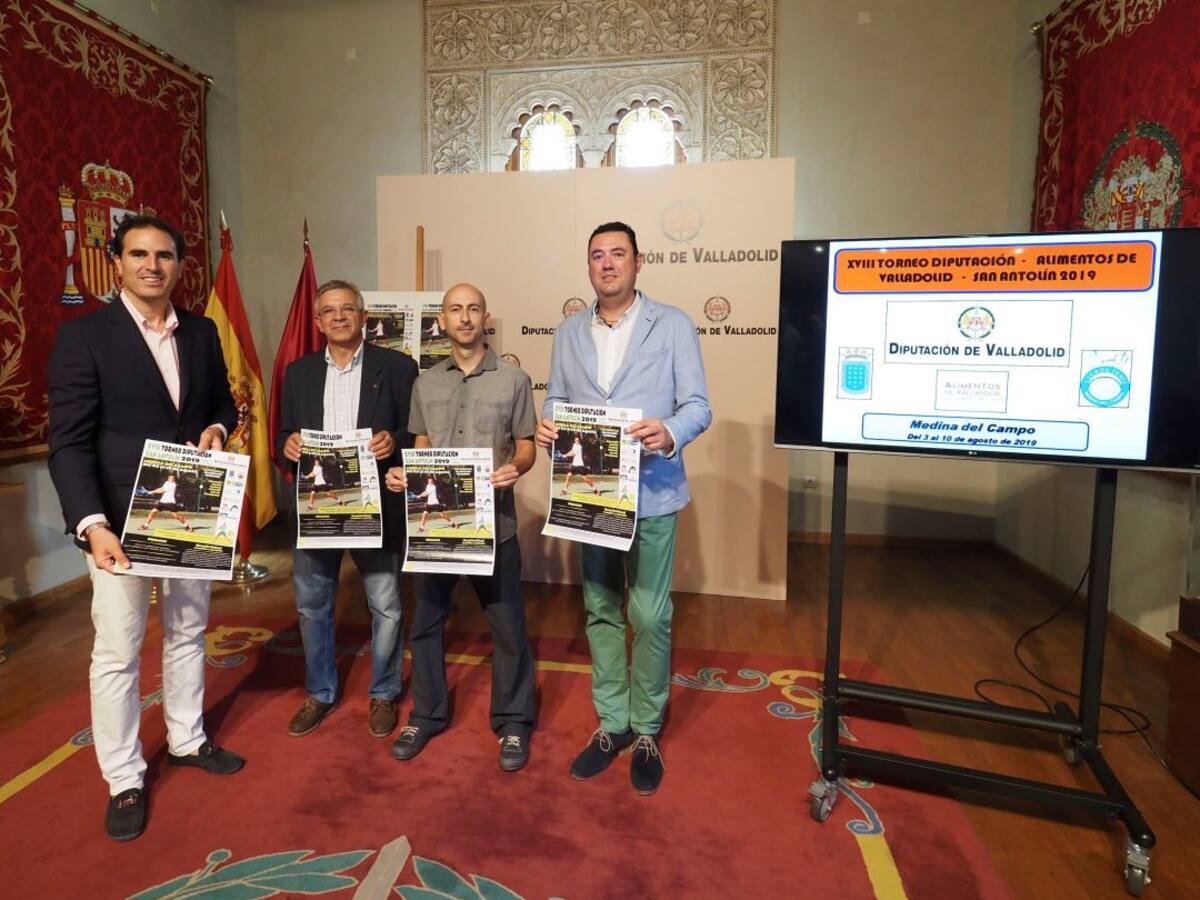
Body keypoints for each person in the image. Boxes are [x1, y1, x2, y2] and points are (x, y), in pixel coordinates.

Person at [47, 215, 244, 842]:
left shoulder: (203, 331)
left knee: (188, 632)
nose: (152, 265)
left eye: (163, 255)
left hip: (191, 512)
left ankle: (187, 738)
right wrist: (91, 525)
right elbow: (68, 443)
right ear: (118, 262)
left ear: (179, 265)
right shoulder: (85, 338)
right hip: (118, 524)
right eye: (138, 254)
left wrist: (216, 428)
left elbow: (222, 403)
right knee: (118, 652)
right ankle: (125, 777)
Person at [536, 221, 711, 795]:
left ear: (639, 262)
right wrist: (550, 423)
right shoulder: (568, 330)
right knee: (601, 607)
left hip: (653, 492)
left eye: (618, 254)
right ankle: (613, 723)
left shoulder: (674, 324)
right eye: (597, 255)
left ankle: (648, 728)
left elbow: (698, 405)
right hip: (589, 494)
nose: (607, 263)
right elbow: (556, 397)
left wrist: (671, 431)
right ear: (588, 266)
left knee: (651, 615)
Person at [386, 282, 538, 772]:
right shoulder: (425, 383)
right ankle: (427, 714)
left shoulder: (514, 379)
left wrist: (516, 466)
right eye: (456, 309)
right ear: (443, 321)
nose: (466, 317)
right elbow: (422, 447)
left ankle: (513, 721)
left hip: (496, 526)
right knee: (426, 624)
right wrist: (407, 475)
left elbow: (527, 445)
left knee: (508, 627)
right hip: (436, 526)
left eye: (474, 309)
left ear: (485, 318)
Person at [275, 279, 418, 740]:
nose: (338, 317)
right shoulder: (298, 373)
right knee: (312, 605)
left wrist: (395, 441)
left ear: (363, 316)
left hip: (373, 507)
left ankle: (384, 692)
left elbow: (416, 432)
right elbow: (282, 435)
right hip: (316, 508)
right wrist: (287, 445)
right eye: (329, 311)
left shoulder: (398, 367)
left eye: (347, 309)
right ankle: (320, 691)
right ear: (318, 322)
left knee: (386, 605)